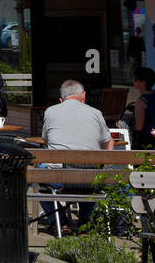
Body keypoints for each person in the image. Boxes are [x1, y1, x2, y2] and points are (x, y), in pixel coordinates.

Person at [39, 79, 113, 232]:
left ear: (62, 98)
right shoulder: (96, 113)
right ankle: (85, 222)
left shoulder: (50, 111)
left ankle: (61, 221)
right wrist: (106, 164)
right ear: (83, 95)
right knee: (89, 178)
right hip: (90, 178)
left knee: (39, 177)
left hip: (61, 179)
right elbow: (108, 143)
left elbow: (46, 140)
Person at [131, 66, 155, 151]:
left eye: (135, 79)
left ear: (142, 82)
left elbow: (139, 127)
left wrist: (135, 145)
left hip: (148, 141)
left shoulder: (141, 102)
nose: (133, 81)